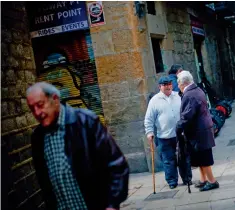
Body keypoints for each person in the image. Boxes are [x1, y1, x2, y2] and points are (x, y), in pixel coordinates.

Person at [27, 82, 129, 210]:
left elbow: (117, 165)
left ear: (55, 99)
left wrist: (112, 204)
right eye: (32, 108)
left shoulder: (85, 122)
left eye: (40, 105)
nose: (37, 112)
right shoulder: (38, 137)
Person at [144, 76, 192, 189]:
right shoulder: (154, 101)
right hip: (164, 136)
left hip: (180, 134)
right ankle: (172, 182)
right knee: (168, 160)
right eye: (165, 85)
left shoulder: (178, 96)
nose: (168, 86)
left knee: (184, 157)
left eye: (169, 84)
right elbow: (149, 118)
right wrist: (149, 132)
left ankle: (187, 179)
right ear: (160, 87)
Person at [176, 71, 219, 192]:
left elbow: (188, 115)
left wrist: (179, 125)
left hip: (199, 131)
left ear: (182, 83)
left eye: (178, 83)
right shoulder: (196, 89)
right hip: (201, 129)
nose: (178, 85)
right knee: (199, 157)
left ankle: (212, 181)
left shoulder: (189, 94)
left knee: (203, 157)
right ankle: (203, 179)